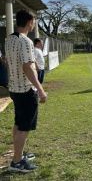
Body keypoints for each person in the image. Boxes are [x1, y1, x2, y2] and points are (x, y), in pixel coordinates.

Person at [5, 10, 47, 173]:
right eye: (34, 20)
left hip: (14, 88)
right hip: (25, 89)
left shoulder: (9, 39)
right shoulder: (26, 41)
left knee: (18, 123)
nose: (34, 23)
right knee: (24, 126)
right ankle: (17, 162)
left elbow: (10, 62)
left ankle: (18, 154)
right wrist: (41, 89)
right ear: (30, 22)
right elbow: (27, 67)